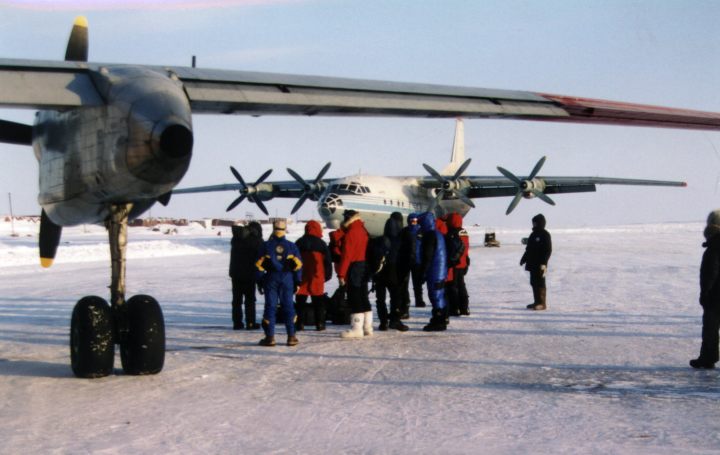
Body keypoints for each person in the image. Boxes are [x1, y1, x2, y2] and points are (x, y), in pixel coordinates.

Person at [256, 219, 303, 347]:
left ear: (273, 228)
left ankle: (270, 338)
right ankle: (291, 337)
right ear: (284, 229)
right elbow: (298, 265)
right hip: (287, 278)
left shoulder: (266, 246)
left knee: (270, 306)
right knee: (288, 306)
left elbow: (259, 266)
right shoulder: (291, 246)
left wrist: (260, 281)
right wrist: (298, 281)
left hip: (271, 278)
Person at [336, 209, 373, 339]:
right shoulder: (363, 230)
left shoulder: (351, 233)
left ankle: (357, 329)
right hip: (364, 266)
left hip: (354, 267)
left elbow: (347, 256)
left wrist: (341, 274)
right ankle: (368, 327)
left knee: (354, 296)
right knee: (363, 296)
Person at [691, 210, 720, 369]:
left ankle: (708, 358)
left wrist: (705, 294)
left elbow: (711, 272)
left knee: (710, 327)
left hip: (715, 296)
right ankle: (707, 357)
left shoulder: (714, 247)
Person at [295, 220, 332, 331]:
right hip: (317, 274)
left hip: (302, 275)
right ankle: (320, 323)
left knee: (300, 301)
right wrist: (328, 275)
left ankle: (299, 323)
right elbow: (328, 261)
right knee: (318, 301)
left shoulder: (299, 242)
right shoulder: (321, 243)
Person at [374, 212, 409, 332]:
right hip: (393, 272)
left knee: (380, 298)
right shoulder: (400, 240)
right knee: (395, 297)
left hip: (379, 273)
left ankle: (383, 322)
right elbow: (404, 258)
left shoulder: (378, 240)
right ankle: (395, 320)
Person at [228, 221, 263, 330]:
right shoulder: (256, 240)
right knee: (250, 299)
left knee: (236, 300)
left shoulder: (236, 238)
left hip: (236, 273)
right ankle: (250, 323)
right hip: (249, 273)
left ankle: (237, 323)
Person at [418, 212, 449, 331]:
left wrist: (423, 272)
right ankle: (440, 318)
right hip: (440, 269)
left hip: (435, 270)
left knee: (436, 295)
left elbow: (427, 256)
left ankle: (439, 321)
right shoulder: (438, 234)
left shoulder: (430, 236)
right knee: (439, 294)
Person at [520, 213, 552, 311]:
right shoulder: (533, 234)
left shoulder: (545, 234)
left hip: (540, 264)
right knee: (533, 282)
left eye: (535, 223)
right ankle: (536, 301)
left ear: (540, 223)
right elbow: (528, 249)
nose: (534, 225)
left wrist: (544, 263)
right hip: (532, 263)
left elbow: (548, 250)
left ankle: (542, 303)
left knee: (540, 282)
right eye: (533, 223)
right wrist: (523, 258)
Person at [445, 212, 470, 316]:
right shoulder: (464, 232)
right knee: (462, 286)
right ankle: (464, 308)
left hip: (454, 263)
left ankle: (454, 308)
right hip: (463, 262)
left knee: (452, 286)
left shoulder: (451, 233)